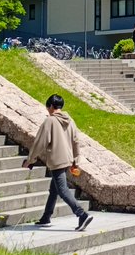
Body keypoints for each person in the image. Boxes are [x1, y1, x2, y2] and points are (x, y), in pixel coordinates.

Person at [23, 94, 93, 231]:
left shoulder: (50, 121)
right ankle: (46, 217)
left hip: (57, 160)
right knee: (54, 190)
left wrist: (30, 160)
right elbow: (76, 141)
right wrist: (76, 161)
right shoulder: (70, 120)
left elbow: (40, 143)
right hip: (67, 159)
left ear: (50, 106)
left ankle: (82, 214)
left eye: (47, 107)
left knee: (62, 189)